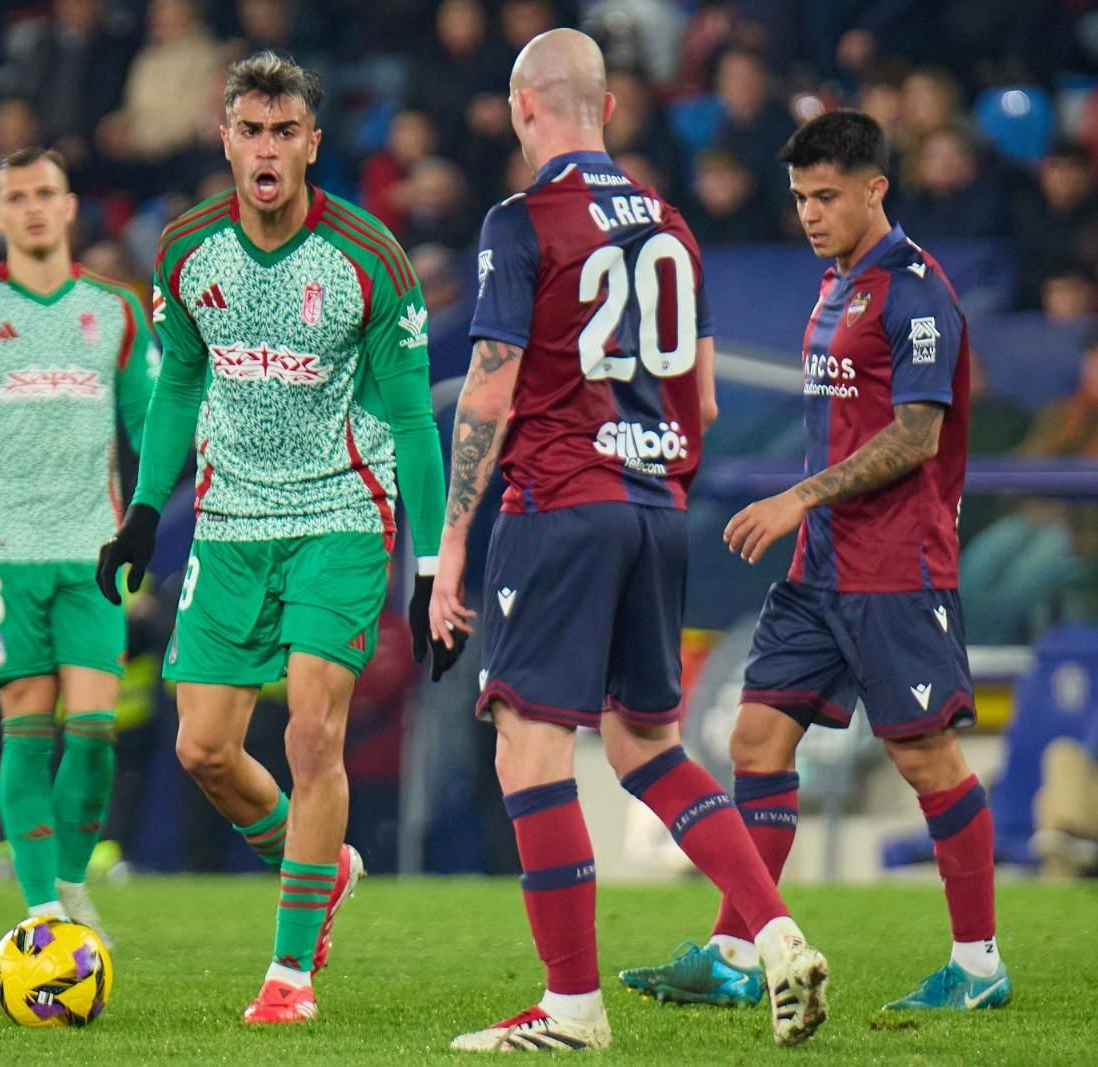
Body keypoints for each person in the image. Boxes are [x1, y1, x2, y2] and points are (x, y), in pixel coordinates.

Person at [426, 30, 828, 1052]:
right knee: (641, 740)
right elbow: (700, 391)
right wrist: (654, 478)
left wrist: (453, 544)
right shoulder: (671, 225)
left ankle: (570, 1009)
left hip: (559, 501)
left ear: (525, 110)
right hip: (653, 503)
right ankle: (773, 931)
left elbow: (490, 383)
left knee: (528, 743)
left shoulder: (521, 220)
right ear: (605, 109)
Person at [618, 109, 1009, 1014]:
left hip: (895, 568)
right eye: (799, 197)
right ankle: (729, 949)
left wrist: (800, 494)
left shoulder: (916, 292)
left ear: (876, 188)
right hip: (820, 567)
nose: (809, 213)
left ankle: (980, 963)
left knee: (927, 758)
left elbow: (918, 436)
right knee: (755, 739)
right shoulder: (837, 286)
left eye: (827, 196)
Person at [96, 51, 456, 1024]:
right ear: (225, 139)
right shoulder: (185, 250)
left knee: (309, 730)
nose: (265, 148)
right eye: (249, 131)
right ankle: (319, 864)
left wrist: (429, 562)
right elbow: (174, 383)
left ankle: (289, 973)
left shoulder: (364, 258)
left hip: (340, 515)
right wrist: (140, 510)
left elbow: (415, 422)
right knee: (203, 747)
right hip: (229, 520)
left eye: (283, 131)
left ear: (312, 144)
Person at [0, 147, 157, 943]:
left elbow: (152, 422)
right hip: (5, 545)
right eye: (17, 196)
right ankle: (42, 907)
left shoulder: (117, 308)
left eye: (46, 192)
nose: (34, 207)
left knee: (93, 732)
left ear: (71, 203)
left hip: (95, 548)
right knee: (26, 723)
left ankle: (71, 883)